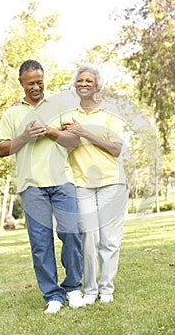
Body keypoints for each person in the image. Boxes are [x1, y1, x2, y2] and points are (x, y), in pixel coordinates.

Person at [0, 59, 84, 314]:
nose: (36, 87)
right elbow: (1, 150)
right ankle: (53, 296)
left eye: (39, 81)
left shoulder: (59, 106)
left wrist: (49, 131)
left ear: (44, 79)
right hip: (31, 187)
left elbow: (74, 140)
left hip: (62, 182)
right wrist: (24, 137)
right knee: (41, 243)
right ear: (21, 83)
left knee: (71, 233)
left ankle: (73, 288)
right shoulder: (12, 114)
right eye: (30, 83)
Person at [62, 63, 127, 305]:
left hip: (111, 182)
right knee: (89, 239)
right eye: (80, 80)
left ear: (97, 85)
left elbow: (116, 149)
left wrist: (84, 132)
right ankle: (89, 290)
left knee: (109, 240)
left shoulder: (110, 116)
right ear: (75, 85)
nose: (84, 83)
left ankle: (106, 289)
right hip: (82, 184)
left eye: (89, 80)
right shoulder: (67, 115)